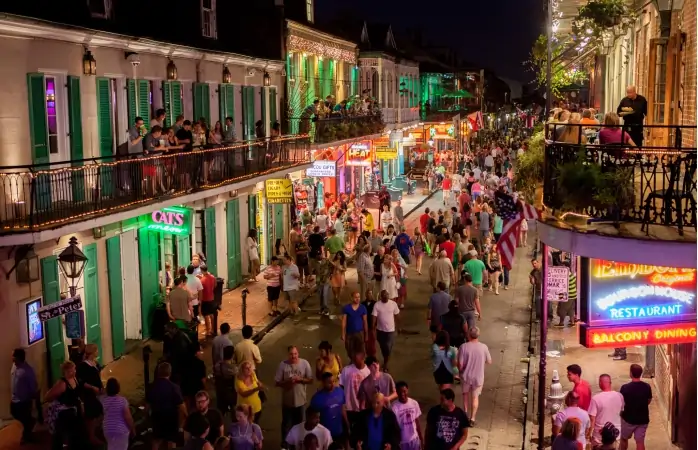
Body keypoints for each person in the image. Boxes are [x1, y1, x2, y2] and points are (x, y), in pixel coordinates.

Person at [275, 346, 314, 446]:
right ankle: (285, 445)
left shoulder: (304, 363)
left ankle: (300, 444)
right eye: (291, 354)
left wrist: (300, 380)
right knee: (286, 425)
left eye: (295, 354)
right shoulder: (283, 365)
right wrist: (288, 381)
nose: (293, 356)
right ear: (288, 355)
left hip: (301, 402)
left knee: (301, 424)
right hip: (287, 403)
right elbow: (277, 383)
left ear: (298, 354)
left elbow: (310, 380)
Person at [145, 362, 186, 450]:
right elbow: (181, 406)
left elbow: (147, 408)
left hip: (157, 419)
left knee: (156, 441)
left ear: (158, 372)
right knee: (171, 442)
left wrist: (147, 419)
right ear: (169, 373)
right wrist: (186, 416)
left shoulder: (152, 387)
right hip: (171, 420)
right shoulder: (174, 387)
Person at [457, 327, 492, 426]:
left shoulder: (463, 347)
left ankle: (465, 415)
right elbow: (489, 361)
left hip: (465, 376)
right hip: (478, 377)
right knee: (475, 397)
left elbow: (460, 364)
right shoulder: (484, 347)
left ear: (468, 335)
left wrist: (459, 370)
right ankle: (472, 419)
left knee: (465, 395)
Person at [338, 351, 371, 447]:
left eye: (357, 359)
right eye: (354, 359)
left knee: (361, 432)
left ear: (363, 358)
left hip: (362, 409)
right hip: (349, 407)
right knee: (347, 432)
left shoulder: (368, 372)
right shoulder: (346, 370)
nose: (355, 361)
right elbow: (341, 387)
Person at [310, 372, 349, 447]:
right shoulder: (316, 399)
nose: (332, 384)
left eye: (333, 381)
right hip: (325, 434)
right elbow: (313, 417)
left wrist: (347, 424)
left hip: (339, 431)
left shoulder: (340, 391)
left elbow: (343, 408)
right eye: (329, 383)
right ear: (323, 383)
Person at [619, 364, 652, 450]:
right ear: (640, 374)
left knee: (623, 439)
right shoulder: (647, 387)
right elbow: (648, 400)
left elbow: (621, 403)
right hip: (643, 419)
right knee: (640, 442)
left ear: (631, 373)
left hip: (628, 419)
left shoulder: (625, 388)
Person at [77, 343, 104, 445]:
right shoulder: (83, 366)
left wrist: (101, 386)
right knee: (91, 415)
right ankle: (91, 436)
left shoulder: (95, 363)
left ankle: (93, 432)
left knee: (98, 412)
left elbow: (98, 377)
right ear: (92, 352)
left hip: (97, 392)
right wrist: (93, 388)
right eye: (96, 350)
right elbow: (81, 382)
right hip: (88, 393)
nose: (98, 352)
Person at [10, 348, 38, 444]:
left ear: (18, 358)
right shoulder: (14, 366)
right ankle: (30, 424)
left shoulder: (27, 371)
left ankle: (26, 436)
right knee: (15, 414)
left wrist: (32, 396)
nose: (11, 358)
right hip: (14, 399)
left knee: (25, 419)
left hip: (24, 401)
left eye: (13, 356)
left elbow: (33, 386)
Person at [589, 374, 624, 447]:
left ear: (600, 383)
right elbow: (622, 413)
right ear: (610, 383)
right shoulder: (620, 396)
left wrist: (589, 433)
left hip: (599, 437)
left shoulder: (596, 398)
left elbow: (592, 419)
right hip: (616, 435)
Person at [100, 378, 135, 450]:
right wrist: (133, 429)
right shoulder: (122, 400)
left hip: (108, 429)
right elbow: (128, 417)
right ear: (118, 388)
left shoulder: (103, 400)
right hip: (120, 430)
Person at [372, 290, 400, 372]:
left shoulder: (393, 304)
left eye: (387, 295)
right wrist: (373, 328)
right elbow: (374, 317)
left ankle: (386, 364)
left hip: (391, 331)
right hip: (380, 330)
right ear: (381, 297)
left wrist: (399, 327)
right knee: (383, 347)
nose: (385, 297)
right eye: (384, 296)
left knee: (388, 347)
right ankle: (385, 359)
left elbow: (397, 315)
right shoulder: (377, 305)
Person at [391, 381, 424, 450]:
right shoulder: (394, 407)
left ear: (407, 390)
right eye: (399, 392)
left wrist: (421, 438)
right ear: (396, 392)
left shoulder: (414, 403)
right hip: (402, 442)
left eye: (404, 391)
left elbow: (417, 422)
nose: (402, 394)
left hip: (415, 439)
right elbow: (394, 427)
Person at [341, 291, 368, 360]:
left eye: (358, 297)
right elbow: (344, 321)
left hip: (360, 333)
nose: (357, 299)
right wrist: (343, 334)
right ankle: (353, 362)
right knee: (349, 349)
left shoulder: (363, 308)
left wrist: (366, 334)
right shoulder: (347, 308)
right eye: (355, 297)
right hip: (349, 333)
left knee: (361, 350)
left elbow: (365, 321)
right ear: (351, 298)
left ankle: (359, 363)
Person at [213, 345, 238, 417]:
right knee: (233, 407)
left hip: (220, 390)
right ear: (232, 355)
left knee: (221, 410)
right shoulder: (234, 369)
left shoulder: (217, 365)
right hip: (230, 391)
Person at [199, 264, 217, 336]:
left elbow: (200, 290)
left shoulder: (202, 280)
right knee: (212, 314)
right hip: (211, 298)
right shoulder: (213, 277)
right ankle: (213, 329)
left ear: (202, 270)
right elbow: (215, 285)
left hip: (205, 299)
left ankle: (208, 331)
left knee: (206, 315)